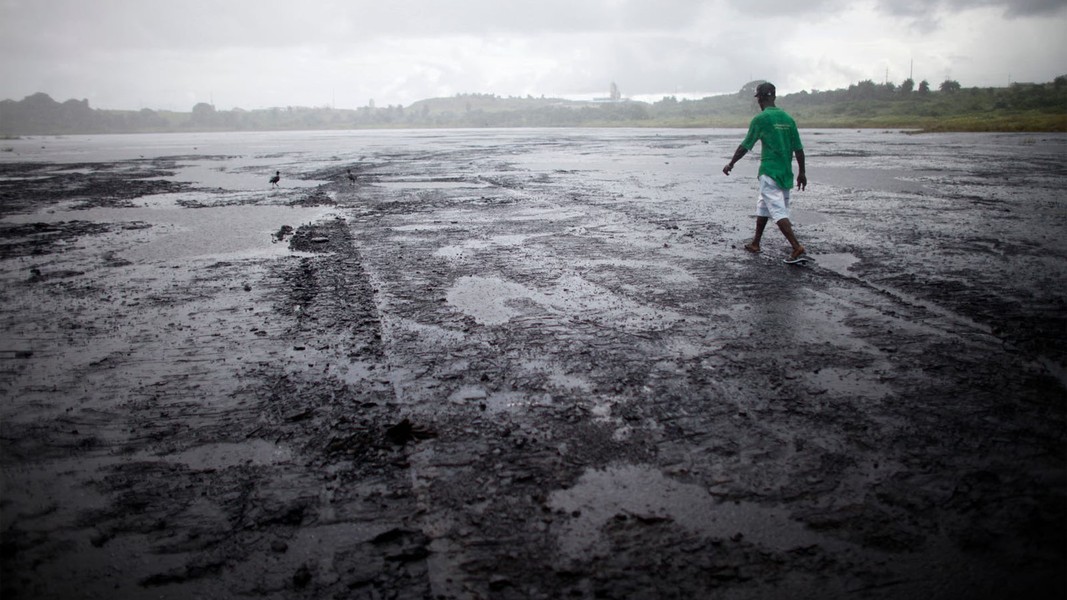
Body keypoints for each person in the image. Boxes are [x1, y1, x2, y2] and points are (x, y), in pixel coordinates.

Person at [723, 82, 809, 263]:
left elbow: (746, 145)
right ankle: (756, 242)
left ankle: (797, 247)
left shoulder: (761, 119)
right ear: (774, 97)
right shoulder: (788, 119)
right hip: (785, 172)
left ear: (760, 98)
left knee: (778, 211)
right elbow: (799, 149)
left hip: (769, 171)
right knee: (763, 204)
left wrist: (731, 163)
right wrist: (802, 173)